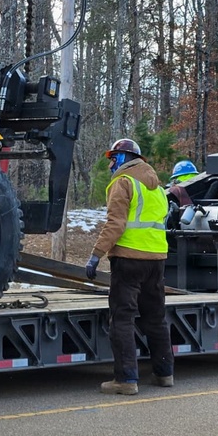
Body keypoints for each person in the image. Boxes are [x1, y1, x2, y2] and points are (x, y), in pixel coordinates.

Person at [85, 138, 174, 394]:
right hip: (156, 259)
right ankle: (164, 374)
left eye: (113, 158)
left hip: (129, 260)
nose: (110, 164)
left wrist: (96, 254)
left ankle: (126, 380)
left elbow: (116, 223)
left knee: (122, 319)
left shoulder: (123, 182)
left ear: (124, 158)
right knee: (155, 318)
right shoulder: (158, 188)